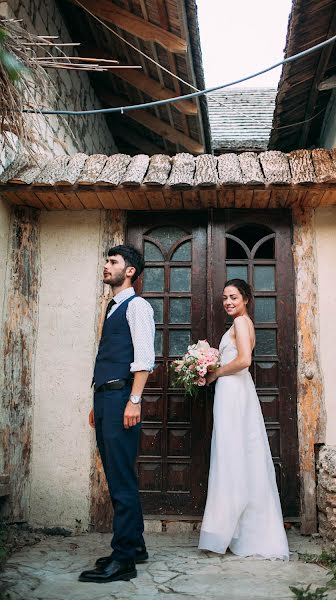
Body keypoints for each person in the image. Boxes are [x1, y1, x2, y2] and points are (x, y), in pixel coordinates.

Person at [79, 245, 155, 583]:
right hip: (107, 398)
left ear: (130, 272)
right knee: (119, 474)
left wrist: (132, 401)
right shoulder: (113, 307)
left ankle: (123, 559)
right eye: (107, 260)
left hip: (122, 396)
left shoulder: (137, 306)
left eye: (113, 262)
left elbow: (144, 357)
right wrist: (99, 400)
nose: (106, 266)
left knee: (121, 480)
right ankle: (135, 546)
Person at [198, 279, 289, 560]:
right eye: (225, 297)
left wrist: (214, 373)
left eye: (234, 297)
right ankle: (232, 528)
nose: (228, 302)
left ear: (246, 298)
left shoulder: (240, 323)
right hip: (235, 390)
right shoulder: (243, 323)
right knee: (237, 455)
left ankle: (228, 531)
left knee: (230, 455)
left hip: (234, 390)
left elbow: (245, 361)